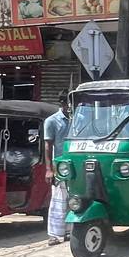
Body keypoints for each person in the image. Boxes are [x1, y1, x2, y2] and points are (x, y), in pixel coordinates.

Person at [43, 92, 72, 246]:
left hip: (75, 164)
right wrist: (49, 170)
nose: (71, 107)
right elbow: (48, 146)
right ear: (63, 104)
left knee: (74, 199)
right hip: (59, 166)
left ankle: (69, 231)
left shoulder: (78, 119)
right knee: (58, 200)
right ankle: (54, 235)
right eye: (69, 103)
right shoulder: (51, 121)